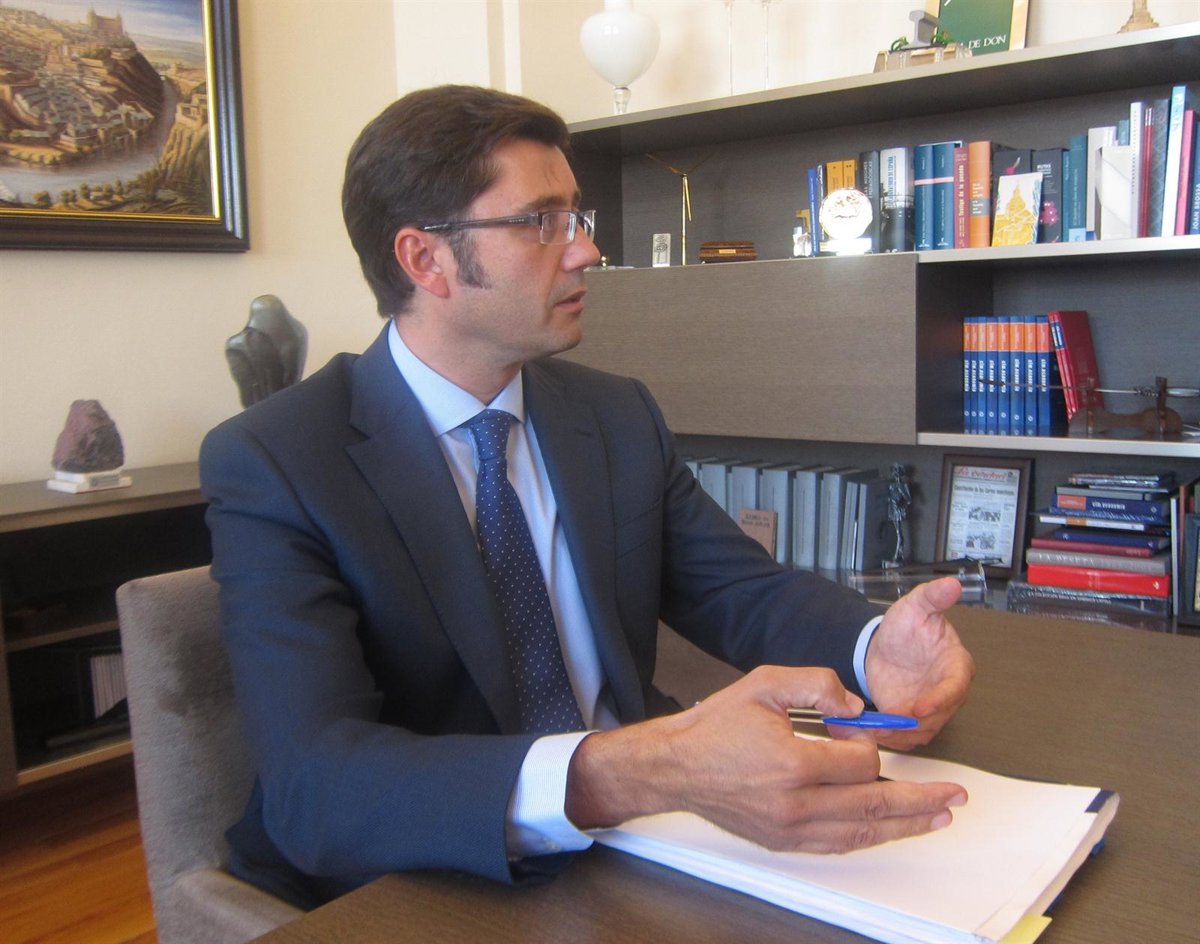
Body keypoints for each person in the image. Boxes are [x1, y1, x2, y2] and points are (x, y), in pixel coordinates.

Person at [199, 85, 975, 910]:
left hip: (641, 842)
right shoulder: (280, 459)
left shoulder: (612, 413)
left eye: (578, 215)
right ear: (425, 260)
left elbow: (734, 586)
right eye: (543, 222)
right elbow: (317, 786)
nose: (587, 250)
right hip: (431, 872)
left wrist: (871, 647)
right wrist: (649, 767)